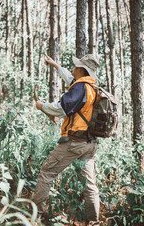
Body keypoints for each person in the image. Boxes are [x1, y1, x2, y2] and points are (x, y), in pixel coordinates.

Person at [32, 53, 100, 225]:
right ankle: (94, 221)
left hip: (74, 143)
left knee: (47, 172)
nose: (73, 68)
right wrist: (55, 65)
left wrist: (42, 107)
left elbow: (62, 108)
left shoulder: (80, 88)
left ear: (81, 70)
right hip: (89, 144)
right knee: (90, 185)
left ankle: (35, 216)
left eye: (76, 66)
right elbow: (70, 79)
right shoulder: (91, 86)